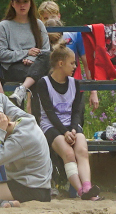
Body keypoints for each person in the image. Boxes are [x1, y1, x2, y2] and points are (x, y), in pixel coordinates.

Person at [22, 46, 101, 200]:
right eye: (72, 63)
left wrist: (72, 129)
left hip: (70, 124)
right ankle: (81, 191)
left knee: (82, 151)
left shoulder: (75, 83)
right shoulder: (43, 83)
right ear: (60, 63)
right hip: (51, 125)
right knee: (69, 153)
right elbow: (49, 112)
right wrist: (64, 132)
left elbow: (76, 111)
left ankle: (87, 186)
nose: (75, 66)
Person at [0, 0, 51, 81]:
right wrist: (26, 53)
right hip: (14, 67)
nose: (22, 5)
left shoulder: (38, 24)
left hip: (37, 63)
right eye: (18, 2)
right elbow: (1, 54)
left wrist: (31, 59)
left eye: (25, 1)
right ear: (12, 4)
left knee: (56, 70)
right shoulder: (4, 25)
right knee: (40, 77)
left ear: (30, 4)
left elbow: (46, 51)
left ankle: (22, 91)